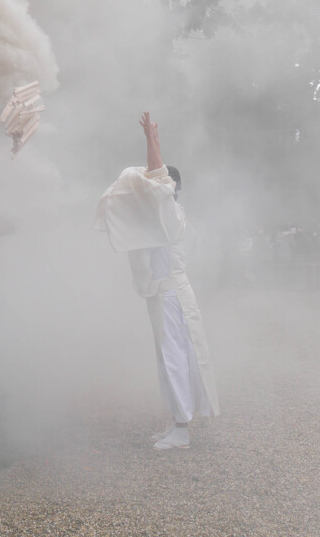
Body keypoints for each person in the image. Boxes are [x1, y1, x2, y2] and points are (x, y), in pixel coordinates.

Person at [95, 112, 220, 450]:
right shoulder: (162, 216)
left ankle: (182, 429)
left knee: (174, 355)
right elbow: (157, 181)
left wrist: (152, 141)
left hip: (172, 296)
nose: (152, 187)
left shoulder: (170, 214)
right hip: (162, 295)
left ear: (170, 189)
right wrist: (154, 140)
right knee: (167, 357)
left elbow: (158, 178)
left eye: (161, 184)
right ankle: (177, 422)